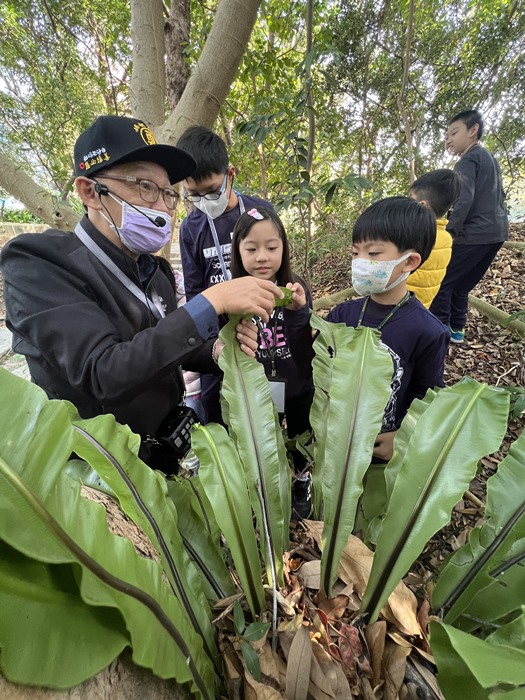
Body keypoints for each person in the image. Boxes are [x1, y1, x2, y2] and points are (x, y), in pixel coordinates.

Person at [0, 115, 283, 473]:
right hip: (103, 476)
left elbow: (159, 344)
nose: (163, 206)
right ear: (90, 191)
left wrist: (215, 351)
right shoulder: (41, 264)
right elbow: (103, 372)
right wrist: (211, 301)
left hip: (165, 457)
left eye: (168, 194)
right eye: (145, 186)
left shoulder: (155, 270)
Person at [322, 197, 450, 462]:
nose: (360, 262)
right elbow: (319, 368)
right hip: (334, 442)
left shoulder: (428, 331)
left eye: (373, 254)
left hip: (381, 453)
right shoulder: (341, 315)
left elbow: (427, 397)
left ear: (409, 261)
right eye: (355, 253)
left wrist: (403, 436)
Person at [176, 125, 274, 422]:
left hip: (262, 333)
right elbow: (195, 295)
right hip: (218, 342)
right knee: (216, 410)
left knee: (263, 411)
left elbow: (278, 268)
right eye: (194, 195)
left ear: (230, 174)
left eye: (213, 190)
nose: (205, 200)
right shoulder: (191, 228)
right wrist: (210, 346)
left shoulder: (259, 212)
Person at [230, 206, 314, 517]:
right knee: (261, 437)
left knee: (302, 434)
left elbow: (307, 351)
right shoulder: (232, 295)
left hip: (297, 384)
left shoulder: (296, 288)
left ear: (284, 248)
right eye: (251, 249)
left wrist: (297, 313)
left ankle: (302, 479)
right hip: (258, 389)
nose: (262, 257)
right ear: (239, 252)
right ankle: (264, 485)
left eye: (272, 247)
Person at [429, 109, 509, 343]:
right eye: (446, 137)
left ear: (473, 130)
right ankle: (457, 330)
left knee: (444, 280)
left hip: (474, 233)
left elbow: (464, 199)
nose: (449, 140)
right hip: (497, 233)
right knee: (462, 285)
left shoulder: (468, 159)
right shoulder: (489, 158)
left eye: (454, 133)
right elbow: (499, 195)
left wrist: (450, 232)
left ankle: (440, 332)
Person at [406, 169, 460, 308]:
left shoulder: (415, 234)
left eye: (411, 199)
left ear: (422, 205)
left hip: (398, 303)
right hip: (422, 307)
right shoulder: (446, 238)